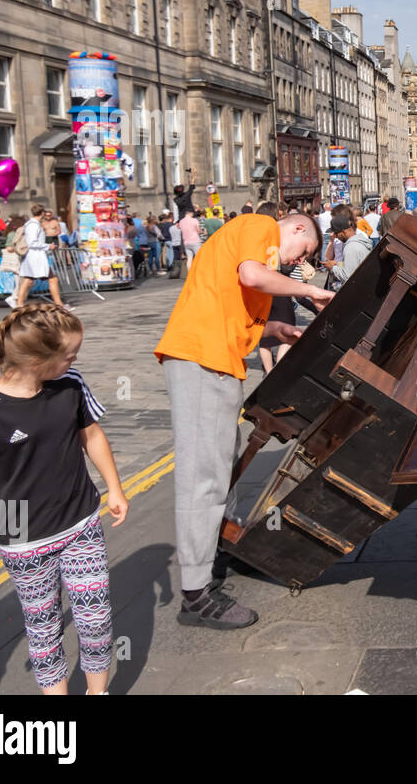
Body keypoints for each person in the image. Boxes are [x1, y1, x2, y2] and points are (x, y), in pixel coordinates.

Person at [0, 304, 127, 694]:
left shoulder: (70, 383)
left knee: (96, 619)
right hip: (25, 542)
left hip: (80, 523)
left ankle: (98, 692)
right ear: (37, 358)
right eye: (69, 354)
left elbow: (92, 435)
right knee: (44, 630)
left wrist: (114, 488)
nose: (75, 360)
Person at [154, 212, 333, 628]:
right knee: (205, 477)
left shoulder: (249, 246)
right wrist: (310, 290)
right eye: (302, 252)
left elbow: (240, 317)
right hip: (201, 359)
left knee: (221, 465)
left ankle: (216, 555)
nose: (291, 263)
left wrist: (281, 331)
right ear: (299, 229)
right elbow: (253, 276)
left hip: (214, 360)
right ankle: (197, 595)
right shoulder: (260, 226)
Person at [14, 205, 70, 311]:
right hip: (35, 256)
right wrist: (48, 246)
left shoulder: (32, 224)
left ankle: (19, 303)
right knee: (52, 279)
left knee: (29, 280)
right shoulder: (33, 225)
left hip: (35, 256)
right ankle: (59, 304)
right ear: (42, 213)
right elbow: (32, 242)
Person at [324, 209, 373, 289]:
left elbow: (348, 277)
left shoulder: (351, 247)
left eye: (336, 234)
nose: (335, 236)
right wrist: (337, 264)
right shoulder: (357, 242)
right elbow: (354, 266)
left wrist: (332, 268)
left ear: (343, 232)